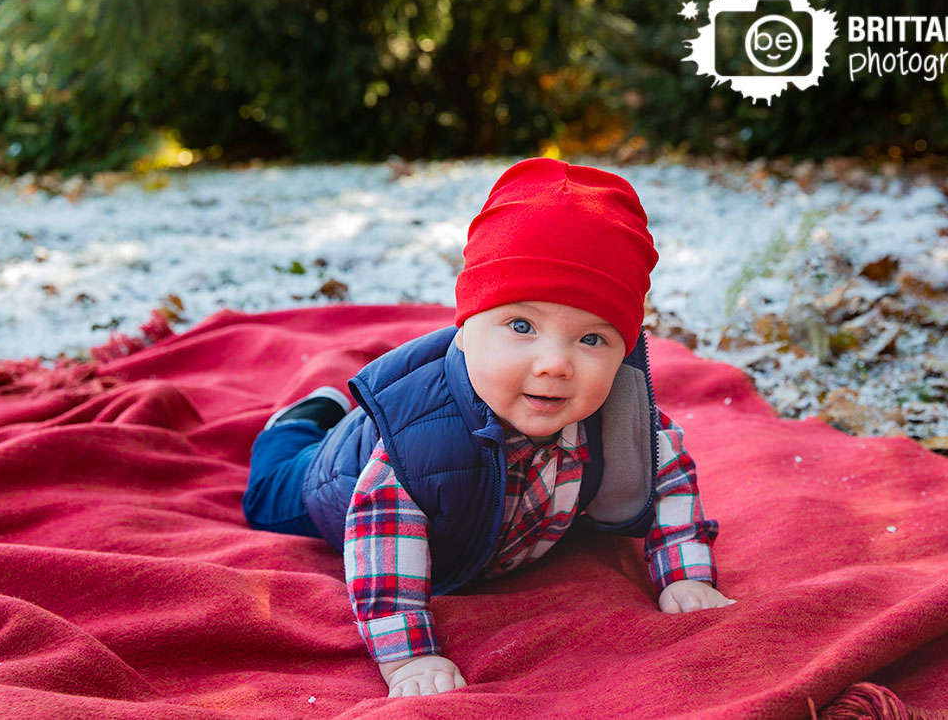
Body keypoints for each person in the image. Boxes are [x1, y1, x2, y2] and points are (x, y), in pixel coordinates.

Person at [244, 157, 735, 698]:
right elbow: (381, 558)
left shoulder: (619, 418)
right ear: (467, 327)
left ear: (624, 352)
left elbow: (670, 476)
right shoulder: (413, 451)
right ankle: (310, 412)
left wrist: (684, 573)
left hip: (492, 524)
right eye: (521, 325)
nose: (555, 363)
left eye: (591, 339)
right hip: (331, 475)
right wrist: (410, 658)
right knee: (268, 492)